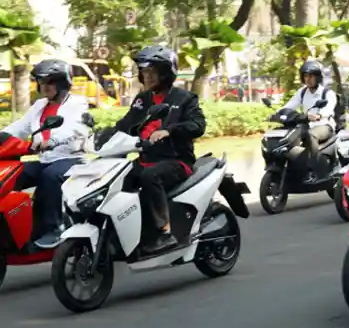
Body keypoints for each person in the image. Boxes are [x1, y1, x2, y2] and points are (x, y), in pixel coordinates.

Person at [110, 45, 207, 254]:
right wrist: (101, 135)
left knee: (150, 177)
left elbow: (198, 125)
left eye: (153, 71)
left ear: (166, 73)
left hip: (177, 160)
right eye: (145, 72)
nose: (148, 76)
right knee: (114, 179)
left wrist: (169, 131)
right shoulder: (142, 100)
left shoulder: (184, 98)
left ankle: (164, 232)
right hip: (145, 157)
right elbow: (126, 124)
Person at [3, 59, 91, 248]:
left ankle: (53, 227)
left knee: (50, 176)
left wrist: (51, 141)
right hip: (44, 159)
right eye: (41, 82)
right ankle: (13, 227)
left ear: (62, 83)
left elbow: (76, 128)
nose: (44, 87)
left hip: (71, 159)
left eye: (50, 82)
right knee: (13, 173)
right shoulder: (39, 106)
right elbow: (20, 127)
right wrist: (2, 136)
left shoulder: (77, 103)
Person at [283, 60, 339, 182]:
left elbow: (328, 109)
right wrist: (278, 113)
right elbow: (290, 105)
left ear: (318, 77)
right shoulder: (302, 92)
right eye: (306, 76)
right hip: (307, 124)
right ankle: (293, 170)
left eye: (311, 76)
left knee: (311, 134)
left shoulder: (327, 93)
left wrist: (319, 115)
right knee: (289, 137)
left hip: (324, 126)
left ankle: (319, 169)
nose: (308, 79)